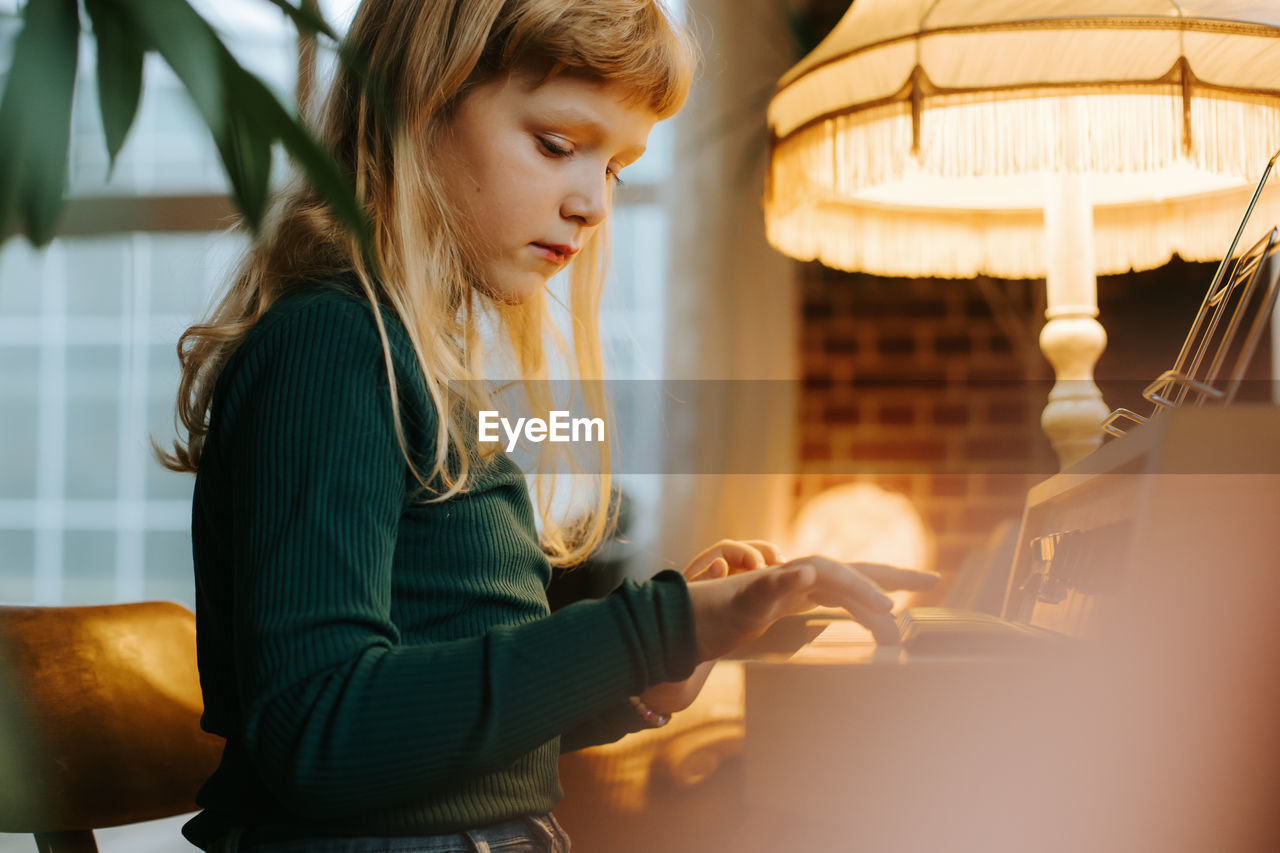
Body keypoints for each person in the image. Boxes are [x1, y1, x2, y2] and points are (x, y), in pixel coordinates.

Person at [161, 1, 939, 850]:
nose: (593, 203)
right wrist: (655, 627)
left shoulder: (417, 363)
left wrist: (651, 678)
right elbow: (320, 731)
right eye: (559, 146)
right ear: (419, 106)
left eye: (617, 167)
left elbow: (443, 719)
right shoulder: (336, 345)